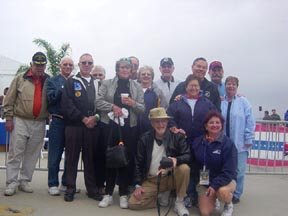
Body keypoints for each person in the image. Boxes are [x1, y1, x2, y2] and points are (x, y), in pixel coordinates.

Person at [96, 57, 145, 209]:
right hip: (110, 126)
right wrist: (112, 107)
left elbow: (143, 109)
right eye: (122, 67)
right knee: (110, 158)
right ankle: (108, 194)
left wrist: (133, 103)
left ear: (132, 71)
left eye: (127, 68)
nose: (124, 70)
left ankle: (123, 194)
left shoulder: (136, 86)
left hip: (130, 128)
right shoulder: (106, 83)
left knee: (125, 160)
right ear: (117, 69)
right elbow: (97, 102)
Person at [128, 107, 191, 216]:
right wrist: (138, 185)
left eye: (163, 121)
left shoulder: (176, 136)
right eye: (157, 121)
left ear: (167, 122)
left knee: (184, 168)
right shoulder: (144, 138)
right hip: (152, 179)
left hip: (171, 178)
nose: (160, 124)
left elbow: (188, 155)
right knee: (133, 203)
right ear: (152, 123)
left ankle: (179, 202)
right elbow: (138, 162)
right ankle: (160, 195)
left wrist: (176, 160)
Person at [3, 52, 50, 196]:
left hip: (40, 122)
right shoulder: (20, 79)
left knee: (32, 154)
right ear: (31, 64)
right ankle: (11, 182)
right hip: (20, 120)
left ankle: (24, 181)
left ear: (45, 65)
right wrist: (9, 118)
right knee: (15, 152)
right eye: (37, 65)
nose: (40, 67)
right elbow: (9, 99)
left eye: (42, 65)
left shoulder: (49, 80)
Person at [167, 74, 217, 207]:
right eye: (191, 85)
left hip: (203, 142)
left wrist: (210, 133)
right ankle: (188, 195)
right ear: (186, 87)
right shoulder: (178, 102)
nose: (193, 88)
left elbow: (215, 118)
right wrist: (174, 128)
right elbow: (169, 117)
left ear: (199, 88)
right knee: (187, 169)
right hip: (184, 143)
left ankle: (204, 195)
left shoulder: (207, 103)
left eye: (196, 85)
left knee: (203, 168)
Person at [61, 53, 101, 202]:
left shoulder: (98, 83)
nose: (86, 65)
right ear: (79, 64)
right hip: (74, 126)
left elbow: (102, 104)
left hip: (92, 127)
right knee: (72, 158)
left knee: (90, 159)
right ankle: (70, 188)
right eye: (84, 62)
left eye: (89, 63)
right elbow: (67, 104)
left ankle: (92, 189)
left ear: (92, 65)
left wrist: (95, 118)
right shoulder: (71, 82)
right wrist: (83, 118)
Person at [191, 111, 237, 216]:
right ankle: (213, 199)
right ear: (206, 126)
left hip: (225, 180)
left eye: (218, 122)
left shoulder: (228, 144)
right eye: (211, 123)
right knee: (205, 212)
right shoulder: (198, 142)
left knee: (222, 191)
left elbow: (229, 171)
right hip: (205, 179)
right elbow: (193, 163)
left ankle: (228, 204)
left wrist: (214, 185)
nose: (215, 125)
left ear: (221, 126)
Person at [221, 76, 255, 204]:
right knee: (224, 168)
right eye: (228, 84)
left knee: (239, 171)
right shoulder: (221, 102)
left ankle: (236, 194)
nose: (231, 86)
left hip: (240, 143)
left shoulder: (243, 102)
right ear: (225, 86)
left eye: (233, 84)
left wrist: (248, 138)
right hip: (224, 143)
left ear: (237, 86)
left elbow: (250, 121)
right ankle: (224, 191)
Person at [46, 56, 74, 196]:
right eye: (65, 64)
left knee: (70, 155)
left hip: (72, 123)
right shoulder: (52, 81)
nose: (68, 67)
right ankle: (53, 183)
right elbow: (50, 98)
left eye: (70, 65)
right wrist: (64, 87)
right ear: (60, 66)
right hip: (57, 121)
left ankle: (65, 183)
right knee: (54, 155)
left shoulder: (76, 81)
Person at [137, 65, 168, 135]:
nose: (146, 76)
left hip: (151, 128)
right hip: (134, 127)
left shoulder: (158, 92)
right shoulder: (134, 90)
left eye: (148, 74)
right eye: (143, 74)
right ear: (139, 77)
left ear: (152, 77)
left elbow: (164, 108)